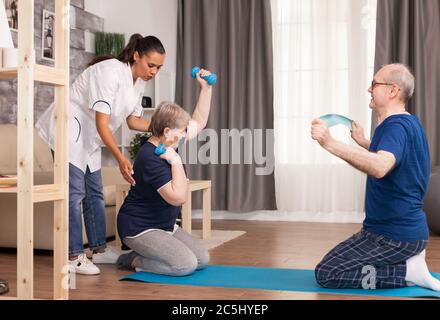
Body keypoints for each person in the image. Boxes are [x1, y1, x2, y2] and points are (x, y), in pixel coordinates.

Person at [36, 34, 166, 275]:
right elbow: (102, 124)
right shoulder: (109, 72)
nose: (154, 71)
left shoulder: (139, 81)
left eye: (159, 67)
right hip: (68, 126)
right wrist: (120, 158)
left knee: (94, 192)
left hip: (90, 136)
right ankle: (73, 256)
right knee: (74, 193)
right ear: (137, 56)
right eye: (151, 65)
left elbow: (132, 120)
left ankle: (99, 249)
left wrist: (161, 127)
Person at [311, 63, 440, 291]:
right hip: (390, 231)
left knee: (327, 273)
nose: (369, 89)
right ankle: (410, 263)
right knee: (330, 264)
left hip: (393, 236)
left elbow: (381, 166)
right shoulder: (408, 122)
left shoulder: (395, 126)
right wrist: (364, 143)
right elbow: (395, 161)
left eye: (374, 84)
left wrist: (330, 143)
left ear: (392, 91)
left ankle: (408, 273)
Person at [116, 76, 213, 276]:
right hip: (139, 228)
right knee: (185, 265)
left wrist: (206, 88)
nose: (185, 136)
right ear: (167, 131)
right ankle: (131, 259)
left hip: (164, 225)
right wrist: (175, 160)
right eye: (182, 133)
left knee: (202, 259)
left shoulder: (168, 141)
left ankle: (152, 252)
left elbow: (200, 120)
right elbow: (178, 198)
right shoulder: (151, 158)